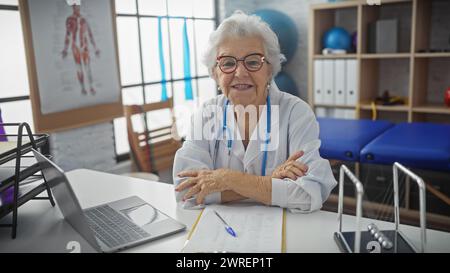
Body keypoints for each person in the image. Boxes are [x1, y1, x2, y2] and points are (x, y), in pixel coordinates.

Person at [172, 11, 336, 213]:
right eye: (228, 63)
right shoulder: (205, 115)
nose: (240, 73)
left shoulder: (296, 113)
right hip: (219, 232)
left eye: (252, 62)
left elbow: (310, 193)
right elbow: (186, 193)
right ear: (215, 73)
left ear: (269, 70)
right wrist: (267, 183)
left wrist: (228, 179)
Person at [61, 1, 100, 95]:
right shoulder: (70, 19)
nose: (77, 8)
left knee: (87, 68)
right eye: (75, 7)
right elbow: (68, 34)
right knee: (79, 68)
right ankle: (83, 88)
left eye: (78, 6)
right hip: (75, 48)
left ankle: (91, 87)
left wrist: (95, 48)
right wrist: (65, 49)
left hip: (84, 46)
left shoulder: (83, 20)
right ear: (73, 7)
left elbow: (89, 34)